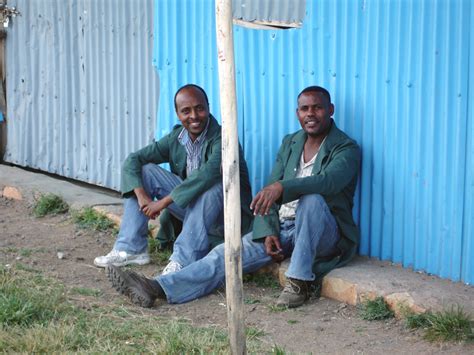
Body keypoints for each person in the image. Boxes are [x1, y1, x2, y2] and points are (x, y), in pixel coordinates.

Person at [106, 85, 360, 309]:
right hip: (283, 228)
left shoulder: (346, 147)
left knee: (311, 198)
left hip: (323, 233)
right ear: (298, 113)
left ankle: (299, 282)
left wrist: (282, 188)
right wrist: (268, 228)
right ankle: (157, 288)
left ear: (330, 110)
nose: (310, 114)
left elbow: (329, 182)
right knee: (224, 255)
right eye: (305, 109)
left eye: (317, 108)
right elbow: (270, 189)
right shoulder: (291, 142)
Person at [94, 84, 253, 277]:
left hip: (226, 217)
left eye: (199, 108)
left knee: (216, 185)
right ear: (178, 114)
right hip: (193, 211)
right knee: (145, 171)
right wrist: (142, 196)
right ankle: (131, 249)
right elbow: (133, 160)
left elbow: (206, 175)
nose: (194, 116)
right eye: (186, 111)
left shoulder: (224, 138)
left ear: (208, 107)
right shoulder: (177, 138)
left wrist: (161, 203)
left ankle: (182, 260)